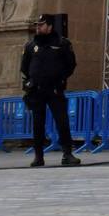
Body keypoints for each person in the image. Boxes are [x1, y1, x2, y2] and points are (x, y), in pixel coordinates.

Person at [20, 14, 80, 168]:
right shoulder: (30, 46)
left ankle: (67, 153)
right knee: (37, 124)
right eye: (37, 25)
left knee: (62, 122)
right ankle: (38, 156)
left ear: (50, 26)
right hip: (37, 91)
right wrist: (28, 83)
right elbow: (24, 67)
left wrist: (60, 78)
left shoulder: (62, 43)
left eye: (42, 24)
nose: (38, 27)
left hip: (54, 90)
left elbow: (71, 64)